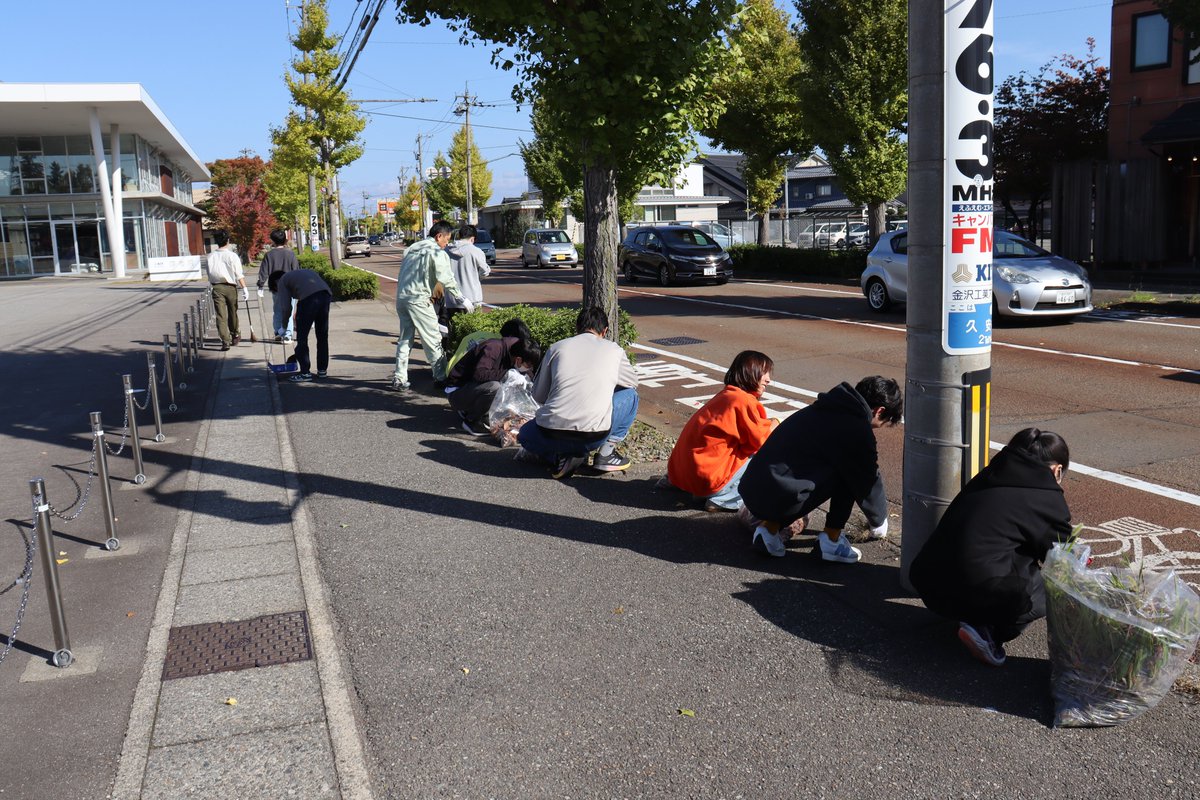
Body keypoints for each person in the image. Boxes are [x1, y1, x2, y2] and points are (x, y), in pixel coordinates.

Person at [910, 428, 1074, 667]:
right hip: (971, 588)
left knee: (1002, 554)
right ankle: (988, 633)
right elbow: (1060, 556)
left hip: (929, 582)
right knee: (1051, 589)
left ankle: (972, 614)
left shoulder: (989, 475)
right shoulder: (1046, 497)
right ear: (1057, 470)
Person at [739, 376, 902, 561]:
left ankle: (768, 531)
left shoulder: (823, 407)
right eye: (884, 421)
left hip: (751, 490)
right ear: (879, 410)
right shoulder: (857, 429)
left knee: (807, 468)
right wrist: (879, 521)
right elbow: (869, 480)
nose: (878, 427)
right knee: (849, 472)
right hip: (778, 499)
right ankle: (832, 542)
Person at [516, 307, 639, 479]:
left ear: (577, 328)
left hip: (551, 432)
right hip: (593, 436)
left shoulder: (557, 348)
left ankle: (561, 456)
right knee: (631, 397)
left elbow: (538, 396)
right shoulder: (614, 350)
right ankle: (606, 454)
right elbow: (632, 383)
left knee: (524, 435)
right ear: (604, 331)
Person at [665, 350, 778, 512]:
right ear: (750, 372)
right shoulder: (742, 400)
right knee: (768, 456)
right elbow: (761, 440)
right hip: (707, 480)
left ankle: (705, 492)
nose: (768, 379)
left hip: (683, 477)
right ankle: (724, 499)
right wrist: (776, 423)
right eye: (764, 373)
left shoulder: (727, 395)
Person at [391, 221, 471, 392]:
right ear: (439, 236)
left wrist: (435, 297)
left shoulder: (412, 249)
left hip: (402, 298)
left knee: (405, 338)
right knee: (432, 339)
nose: (447, 244)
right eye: (446, 239)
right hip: (419, 300)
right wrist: (461, 298)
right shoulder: (436, 252)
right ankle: (441, 377)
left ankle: (399, 377)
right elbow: (445, 277)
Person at [446, 335, 542, 435]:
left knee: (514, 386)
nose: (529, 369)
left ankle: (472, 410)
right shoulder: (493, 348)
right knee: (495, 387)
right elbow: (479, 374)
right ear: (518, 360)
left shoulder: (517, 351)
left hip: (471, 389)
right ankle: (472, 422)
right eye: (528, 366)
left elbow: (528, 375)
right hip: (457, 392)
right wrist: (506, 374)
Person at [269, 268, 332, 383]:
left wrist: (283, 327)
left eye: (275, 290)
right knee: (322, 336)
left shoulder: (282, 281)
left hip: (309, 299)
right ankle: (322, 370)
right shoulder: (299, 274)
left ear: (275, 282)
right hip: (325, 295)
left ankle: (305, 373)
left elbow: (286, 308)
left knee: (302, 338)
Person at [442, 224, 491, 336]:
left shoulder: (447, 251)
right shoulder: (476, 251)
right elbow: (485, 271)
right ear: (472, 238)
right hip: (472, 298)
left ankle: (451, 352)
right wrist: (477, 277)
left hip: (451, 299)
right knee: (473, 333)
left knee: (454, 332)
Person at [207, 230, 248, 351]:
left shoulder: (210, 256)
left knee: (220, 314)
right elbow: (238, 274)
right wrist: (244, 288)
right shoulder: (232, 256)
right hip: (230, 286)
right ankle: (235, 334)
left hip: (216, 287)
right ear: (228, 241)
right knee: (232, 311)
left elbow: (209, 274)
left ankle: (225, 341)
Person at [256, 229, 300, 342]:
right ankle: (288, 335)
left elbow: (263, 271)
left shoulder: (269, 255)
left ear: (273, 241)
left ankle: (278, 332)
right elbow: (296, 270)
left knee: (277, 310)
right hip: (290, 287)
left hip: (275, 286)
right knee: (288, 311)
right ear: (285, 240)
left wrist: (260, 285)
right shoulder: (290, 254)